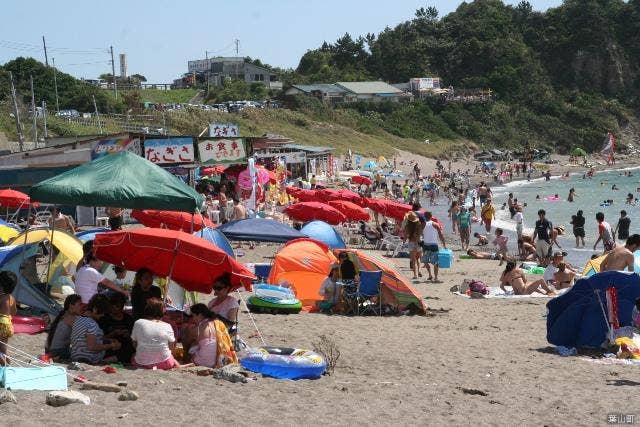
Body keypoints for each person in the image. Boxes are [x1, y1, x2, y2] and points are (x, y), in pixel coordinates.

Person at [183, 303, 238, 368]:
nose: (192, 319)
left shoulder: (197, 328)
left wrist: (186, 354)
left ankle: (189, 360)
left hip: (204, 362)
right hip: (220, 359)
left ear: (200, 315)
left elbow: (187, 344)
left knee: (192, 346)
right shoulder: (217, 322)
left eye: (193, 316)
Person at [131, 298, 180, 370]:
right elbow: (171, 347)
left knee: (133, 356)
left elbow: (134, 344)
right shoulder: (167, 325)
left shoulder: (138, 322)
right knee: (170, 357)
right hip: (164, 364)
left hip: (141, 363)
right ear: (162, 311)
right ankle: (177, 365)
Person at [70, 294, 120, 364]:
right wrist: (112, 345)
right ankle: (102, 362)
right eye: (102, 313)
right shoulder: (91, 324)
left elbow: (87, 338)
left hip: (75, 355)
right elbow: (92, 346)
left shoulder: (78, 319)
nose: (102, 316)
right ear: (95, 309)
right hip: (88, 358)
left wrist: (109, 340)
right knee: (120, 354)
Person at [98, 292, 135, 364]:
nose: (116, 308)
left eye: (119, 306)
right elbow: (100, 338)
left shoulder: (128, 318)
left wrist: (128, 334)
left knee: (130, 347)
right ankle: (114, 359)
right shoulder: (104, 318)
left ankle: (113, 359)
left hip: (125, 345)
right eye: (114, 306)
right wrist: (113, 334)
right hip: (110, 345)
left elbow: (134, 336)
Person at [46, 294, 84, 361]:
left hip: (49, 350)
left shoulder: (63, 314)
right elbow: (84, 333)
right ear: (71, 306)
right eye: (80, 304)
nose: (82, 307)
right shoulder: (70, 318)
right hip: (57, 351)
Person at [421, 211, 446, 282]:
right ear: (431, 216)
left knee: (425, 261)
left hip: (426, 245)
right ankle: (435, 277)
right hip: (434, 245)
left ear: (424, 216)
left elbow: (420, 234)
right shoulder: (435, 224)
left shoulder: (422, 224)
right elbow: (441, 235)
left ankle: (430, 275)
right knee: (436, 262)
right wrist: (444, 244)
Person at [0, 271, 17, 365]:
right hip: (8, 325)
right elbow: (14, 312)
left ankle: (3, 365)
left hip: (0, 324)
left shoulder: (1, 298)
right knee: (3, 349)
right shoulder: (12, 298)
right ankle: (9, 365)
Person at [403, 211, 424, 280]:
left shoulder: (407, 226)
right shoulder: (419, 224)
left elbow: (405, 235)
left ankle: (415, 275)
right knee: (418, 259)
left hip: (411, 243)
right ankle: (419, 271)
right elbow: (420, 234)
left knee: (413, 260)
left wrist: (403, 242)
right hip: (418, 243)